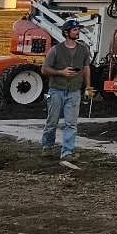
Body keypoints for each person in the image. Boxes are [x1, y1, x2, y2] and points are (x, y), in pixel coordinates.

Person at [40, 19, 92, 160]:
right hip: (56, 90)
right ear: (66, 32)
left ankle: (67, 152)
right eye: (75, 30)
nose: (77, 32)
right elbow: (44, 69)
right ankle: (47, 146)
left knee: (71, 123)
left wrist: (88, 87)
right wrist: (61, 72)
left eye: (78, 30)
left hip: (74, 91)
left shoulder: (83, 49)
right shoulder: (55, 50)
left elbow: (86, 68)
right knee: (52, 121)